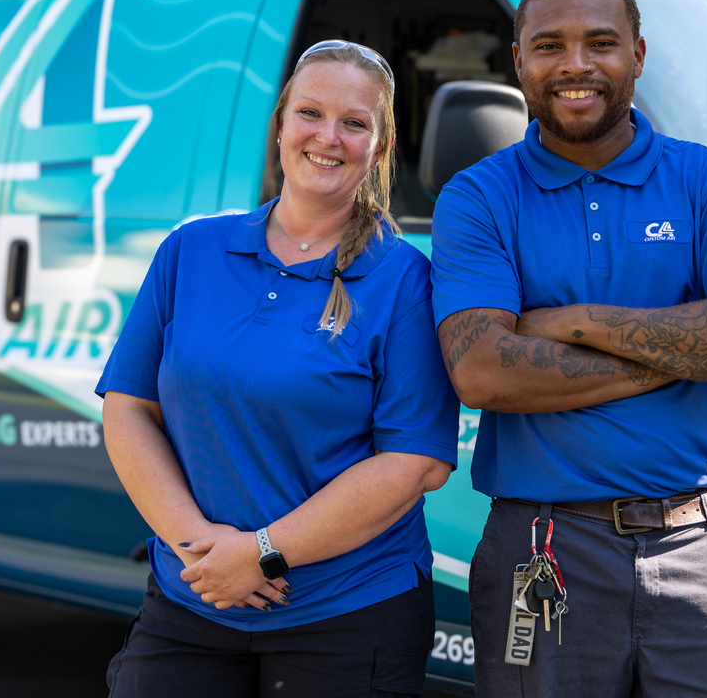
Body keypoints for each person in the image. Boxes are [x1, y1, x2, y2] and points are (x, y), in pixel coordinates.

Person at [430, 0, 707, 696]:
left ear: (637, 54)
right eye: (550, 45)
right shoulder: (478, 196)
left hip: (700, 543)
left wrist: (579, 322)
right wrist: (686, 351)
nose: (576, 65)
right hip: (546, 546)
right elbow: (484, 372)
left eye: (601, 42)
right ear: (519, 61)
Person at [97, 40, 460, 698]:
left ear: (379, 147)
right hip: (194, 599)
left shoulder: (406, 281)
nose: (328, 137)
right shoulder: (191, 250)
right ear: (281, 125)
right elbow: (128, 409)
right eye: (311, 113)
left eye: (354, 123)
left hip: (347, 613)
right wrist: (200, 550)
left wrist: (262, 551)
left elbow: (415, 463)